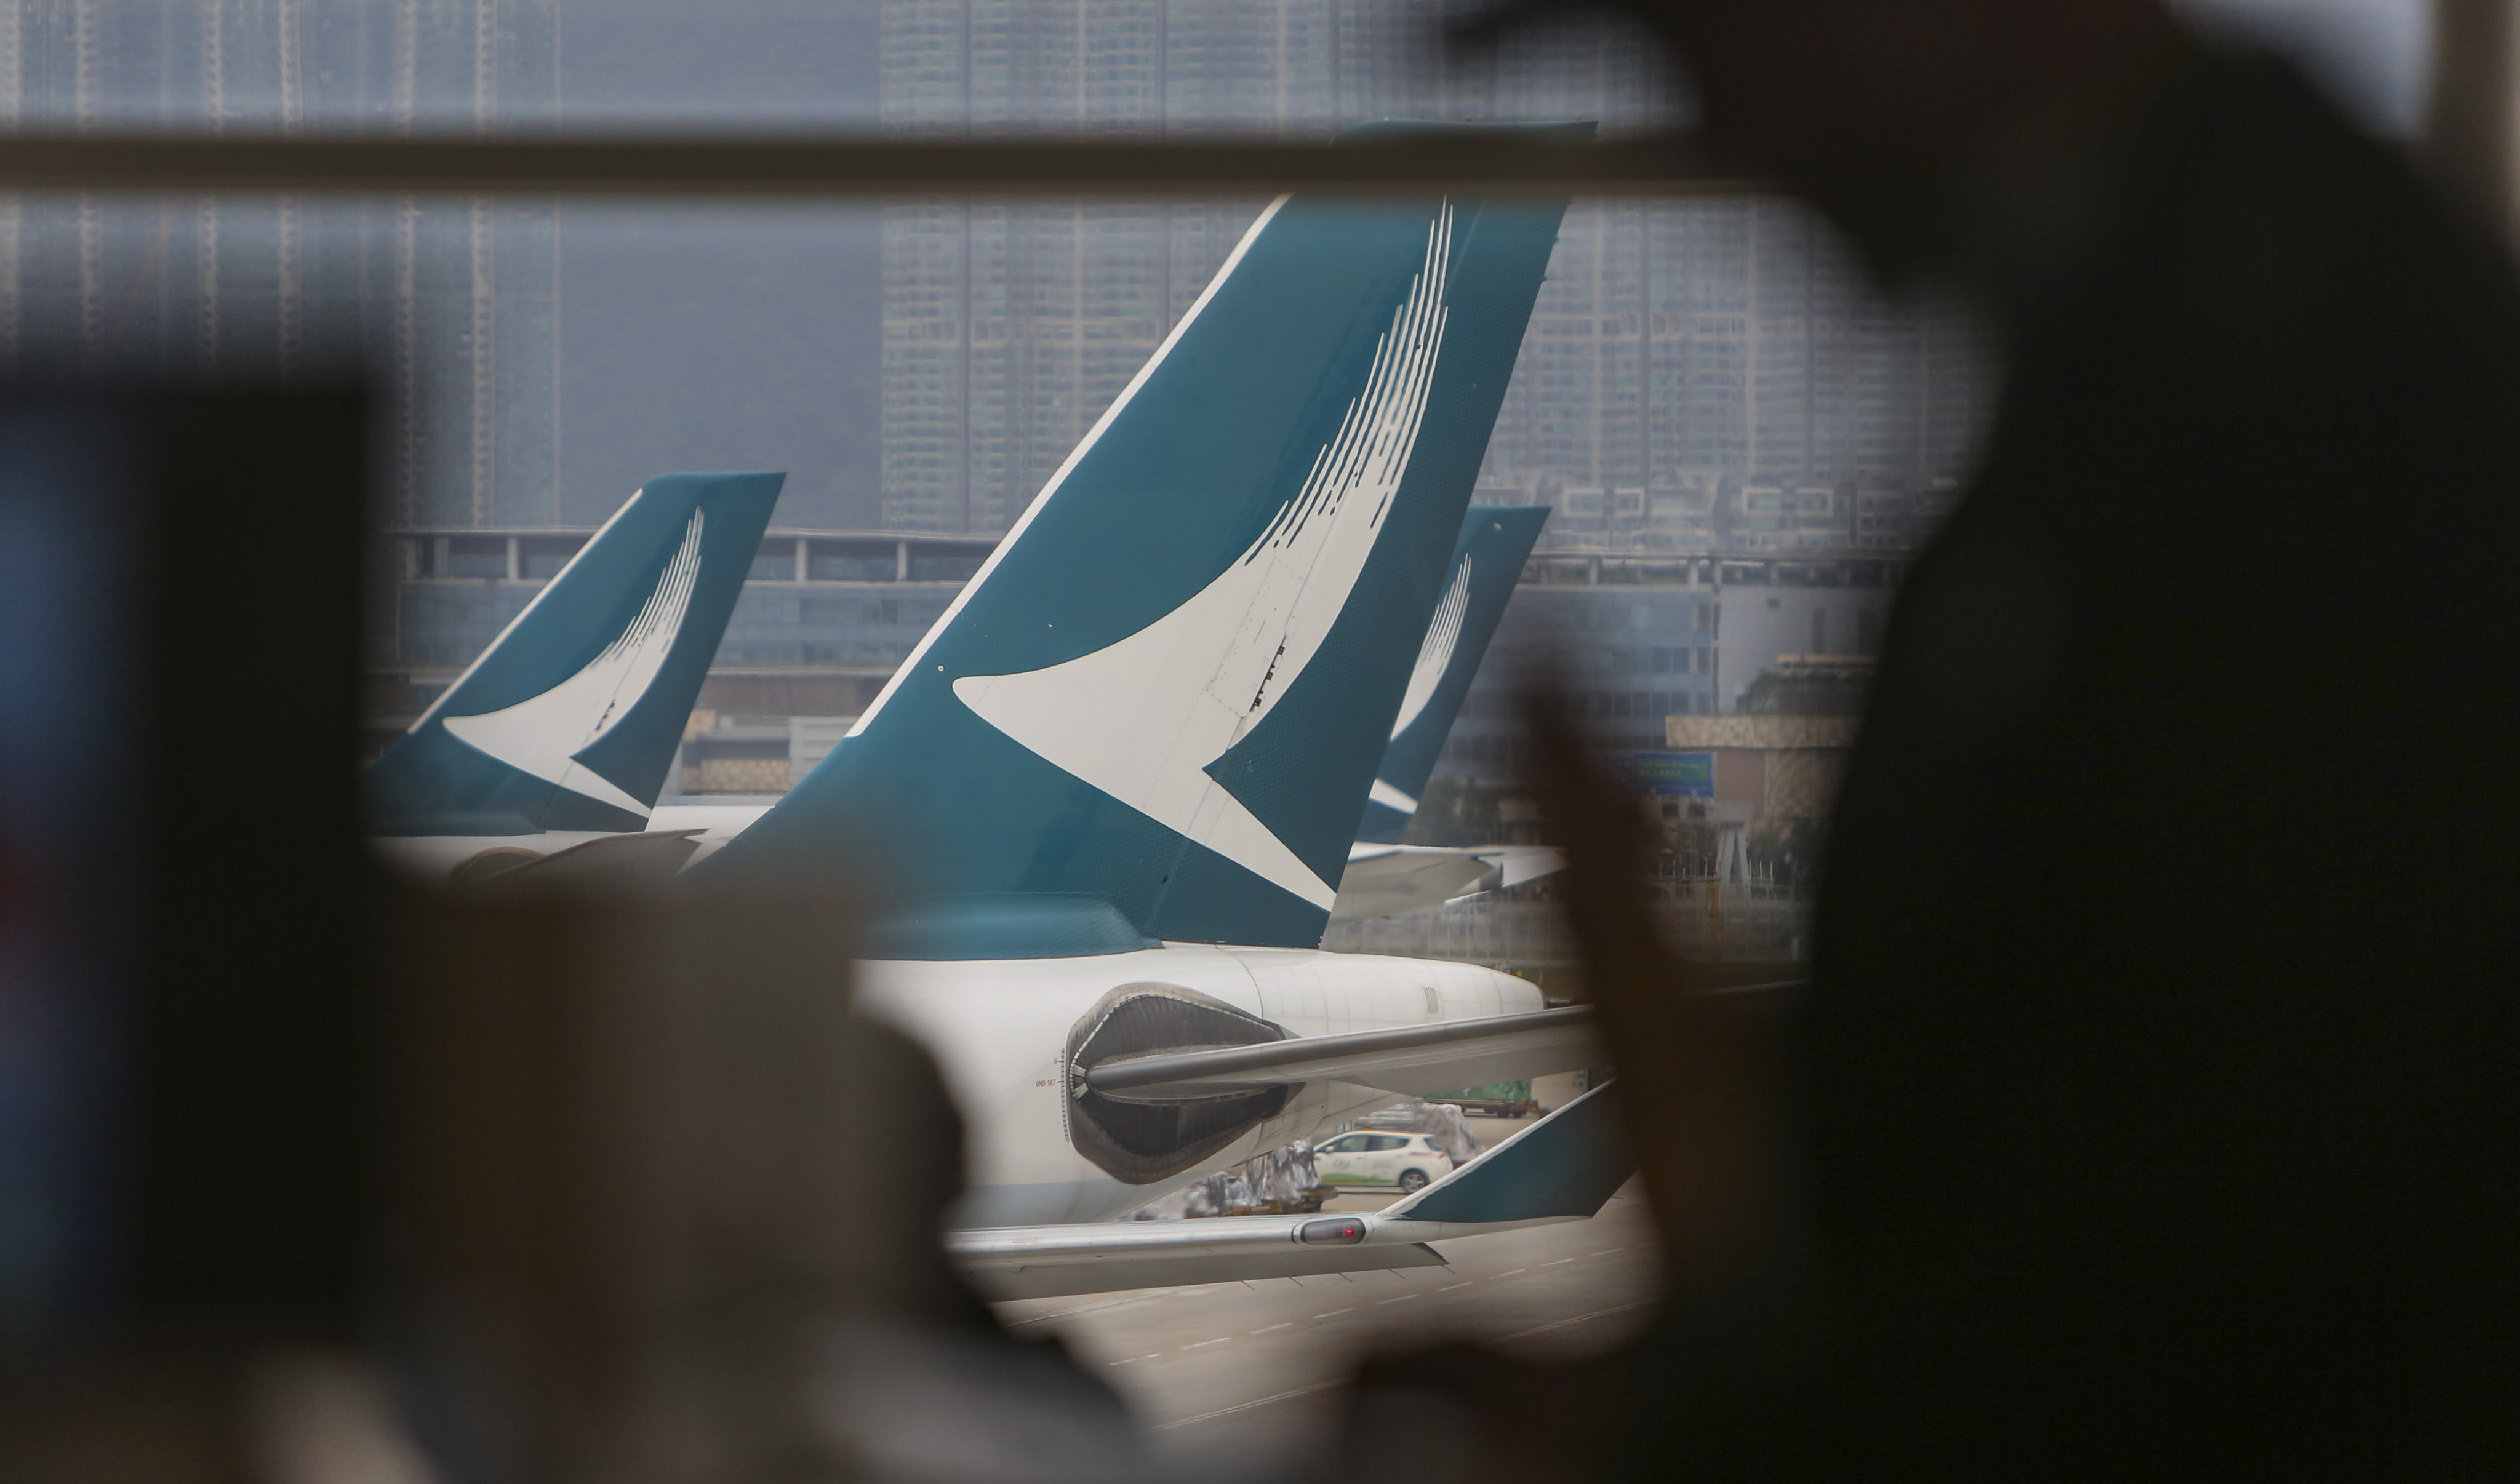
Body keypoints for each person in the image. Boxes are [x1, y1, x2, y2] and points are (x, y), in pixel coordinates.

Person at [1350, 0, 2520, 1476]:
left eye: (1714, 53)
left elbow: (2207, 1298)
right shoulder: (2190, 351)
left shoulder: (2295, 415)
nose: (1714, 137)